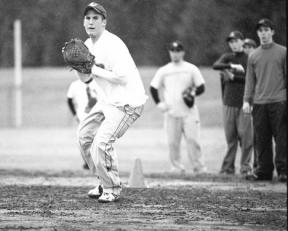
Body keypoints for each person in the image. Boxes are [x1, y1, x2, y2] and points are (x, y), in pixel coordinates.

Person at [75, 2, 147, 202]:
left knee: (102, 141)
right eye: (87, 18)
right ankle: (103, 181)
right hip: (107, 102)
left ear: (104, 22)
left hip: (127, 103)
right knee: (84, 136)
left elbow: (122, 77)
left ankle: (113, 187)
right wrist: (80, 68)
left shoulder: (113, 44)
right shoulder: (87, 46)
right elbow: (86, 79)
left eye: (95, 18)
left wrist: (92, 67)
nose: (91, 21)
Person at [150, 40, 207, 174]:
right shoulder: (164, 70)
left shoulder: (191, 68)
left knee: (193, 140)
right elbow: (153, 87)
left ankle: (199, 167)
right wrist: (159, 103)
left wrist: (192, 92)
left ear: (182, 52)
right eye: (173, 51)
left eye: (178, 51)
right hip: (171, 112)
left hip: (189, 111)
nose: (175, 54)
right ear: (170, 53)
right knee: (173, 143)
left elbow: (201, 87)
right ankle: (176, 167)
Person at [243, 19, 287, 182]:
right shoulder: (254, 55)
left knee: (282, 138)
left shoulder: (283, 52)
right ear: (257, 33)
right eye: (260, 31)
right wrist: (247, 100)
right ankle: (264, 170)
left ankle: (284, 171)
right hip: (260, 103)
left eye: (266, 30)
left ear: (272, 32)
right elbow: (250, 80)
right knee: (261, 138)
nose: (263, 33)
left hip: (279, 101)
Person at [213, 31, 253, 177]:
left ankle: (245, 167)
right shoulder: (227, 57)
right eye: (231, 42)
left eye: (236, 41)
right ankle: (228, 167)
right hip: (229, 103)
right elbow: (215, 65)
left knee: (246, 137)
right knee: (231, 137)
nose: (234, 44)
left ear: (242, 42)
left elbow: (251, 79)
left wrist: (233, 76)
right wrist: (230, 66)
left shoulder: (249, 58)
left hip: (244, 103)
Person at [66, 78, 98, 170]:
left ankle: (99, 161)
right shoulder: (75, 84)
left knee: (97, 140)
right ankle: (87, 162)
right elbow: (69, 100)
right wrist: (74, 115)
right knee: (82, 141)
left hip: (97, 117)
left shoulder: (98, 83)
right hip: (82, 118)